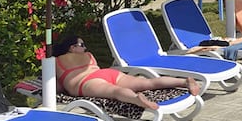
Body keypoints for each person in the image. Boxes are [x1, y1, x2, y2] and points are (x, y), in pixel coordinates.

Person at [52, 34, 201, 110]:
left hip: (87, 82)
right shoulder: (89, 56)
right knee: (147, 82)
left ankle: (136, 99)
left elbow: (58, 86)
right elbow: (96, 69)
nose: (85, 47)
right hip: (107, 73)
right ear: (72, 47)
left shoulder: (56, 61)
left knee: (115, 91)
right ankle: (184, 81)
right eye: (82, 44)